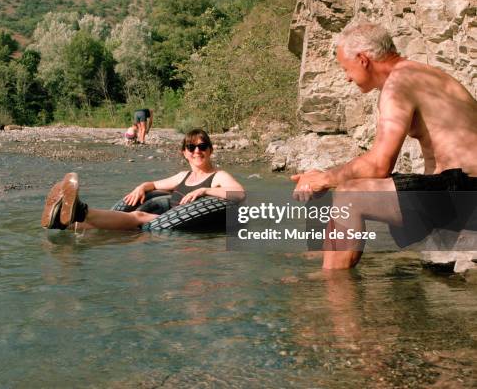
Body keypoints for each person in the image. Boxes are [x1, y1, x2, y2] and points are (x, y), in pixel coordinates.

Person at [291, 21, 477, 270]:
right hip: (458, 188)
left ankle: (332, 288)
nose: (347, 78)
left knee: (350, 197)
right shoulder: (419, 74)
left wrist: (324, 178)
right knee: (350, 191)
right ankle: (330, 259)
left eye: (346, 68)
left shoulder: (398, 84)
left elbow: (379, 165)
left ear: (363, 59)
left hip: (464, 191)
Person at [41, 129, 245, 230]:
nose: (197, 151)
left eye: (202, 147)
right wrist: (141, 187)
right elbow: (154, 185)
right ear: (184, 153)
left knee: (139, 216)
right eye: (191, 148)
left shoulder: (218, 176)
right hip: (168, 219)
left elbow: (239, 193)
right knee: (104, 229)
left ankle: (80, 209)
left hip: (181, 226)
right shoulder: (184, 176)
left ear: (210, 150)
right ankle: (62, 222)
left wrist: (204, 191)